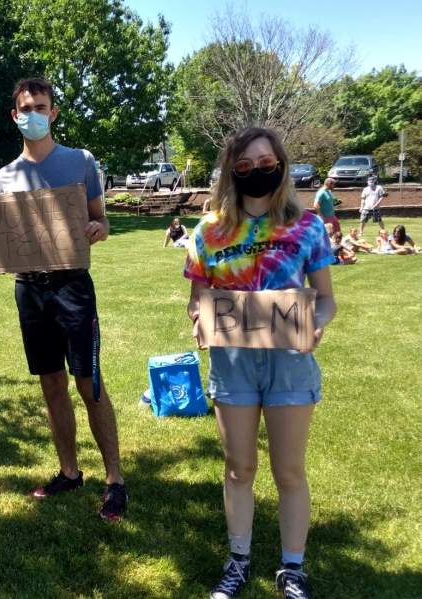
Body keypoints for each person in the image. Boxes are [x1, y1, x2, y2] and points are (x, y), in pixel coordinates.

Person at [0, 78, 127, 521]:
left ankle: (115, 480)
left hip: (73, 286)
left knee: (89, 383)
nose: (33, 114)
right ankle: (69, 472)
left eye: (41, 107)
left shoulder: (80, 161)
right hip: (30, 289)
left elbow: (102, 221)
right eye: (26, 108)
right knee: (51, 383)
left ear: (53, 113)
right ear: (14, 115)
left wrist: (98, 230)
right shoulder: (4, 177)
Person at [186, 128, 336, 599]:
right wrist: (199, 320)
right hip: (233, 362)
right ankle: (238, 560)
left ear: (282, 165)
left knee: (289, 470)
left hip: (290, 361)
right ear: (232, 171)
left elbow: (326, 299)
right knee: (239, 468)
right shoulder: (209, 232)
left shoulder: (307, 226)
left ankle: (293, 568)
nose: (257, 172)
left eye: (266, 163)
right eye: (246, 165)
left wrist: (317, 325)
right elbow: (197, 299)